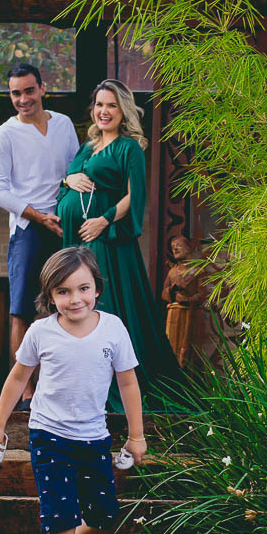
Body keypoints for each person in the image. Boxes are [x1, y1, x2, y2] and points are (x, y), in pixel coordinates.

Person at [0, 247, 146, 534]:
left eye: (83, 288)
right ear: (50, 296)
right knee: (60, 517)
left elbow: (128, 383)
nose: (75, 299)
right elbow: (18, 378)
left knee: (104, 515)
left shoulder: (113, 329)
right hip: (49, 435)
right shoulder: (41, 332)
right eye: (64, 292)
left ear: (97, 288)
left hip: (94, 437)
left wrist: (136, 436)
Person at [57, 79, 179, 411]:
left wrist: (104, 219)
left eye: (111, 105)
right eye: (99, 104)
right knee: (77, 311)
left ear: (123, 109)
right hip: (75, 244)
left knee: (106, 307)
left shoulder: (129, 147)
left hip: (106, 240)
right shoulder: (87, 146)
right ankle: (80, 386)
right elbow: (67, 183)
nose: (104, 111)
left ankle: (114, 388)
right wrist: (67, 180)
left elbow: (134, 196)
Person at [0, 63, 80, 409]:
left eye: (28, 90)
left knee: (71, 308)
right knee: (22, 312)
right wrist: (40, 217)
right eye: (16, 93)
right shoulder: (5, 134)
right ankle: (26, 394)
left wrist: (68, 215)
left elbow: (74, 173)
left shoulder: (64, 125)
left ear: (43, 88)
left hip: (64, 226)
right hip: (28, 229)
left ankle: (64, 389)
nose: (23, 99)